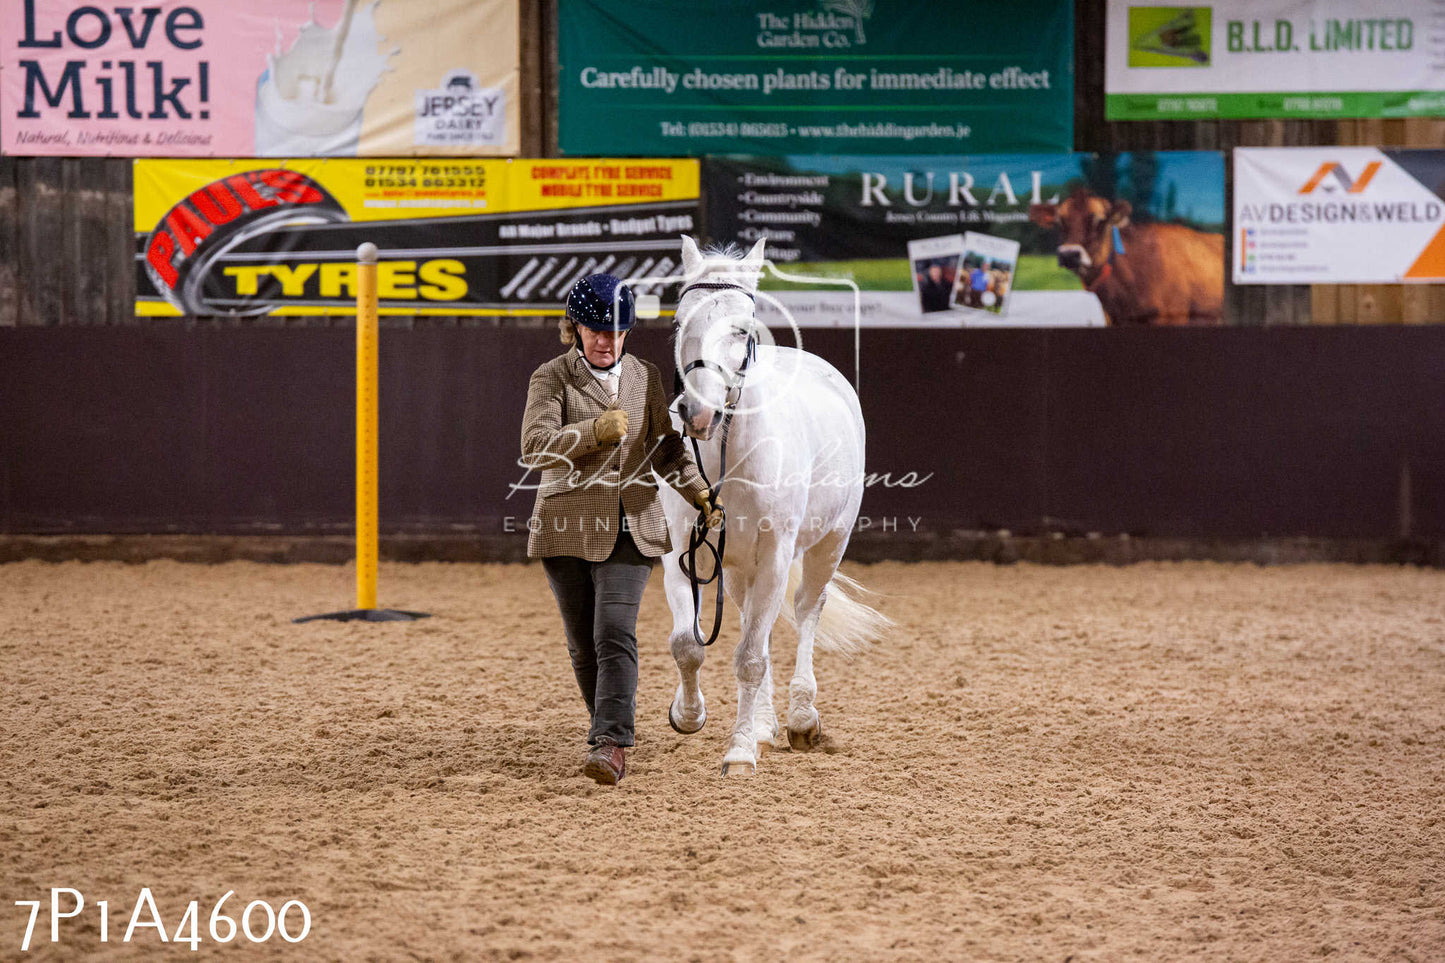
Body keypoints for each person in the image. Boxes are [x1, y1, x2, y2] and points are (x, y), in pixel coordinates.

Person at [519, 274, 722, 785]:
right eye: (596, 331)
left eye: (617, 331)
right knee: (582, 644)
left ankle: (610, 744)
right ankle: (607, 722)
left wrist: (698, 490)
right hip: (565, 526)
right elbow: (534, 447)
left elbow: (667, 447)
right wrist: (593, 431)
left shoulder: (646, 378)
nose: (607, 342)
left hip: (633, 523)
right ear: (575, 329)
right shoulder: (550, 378)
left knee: (613, 629)